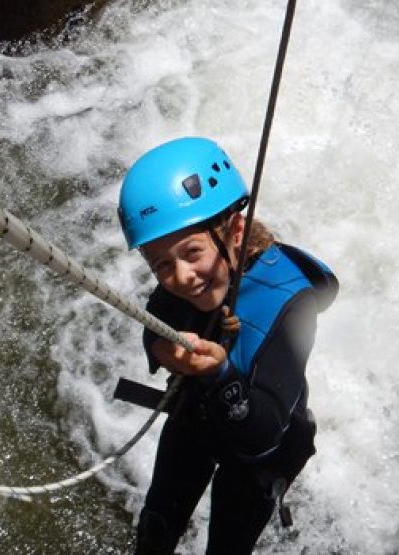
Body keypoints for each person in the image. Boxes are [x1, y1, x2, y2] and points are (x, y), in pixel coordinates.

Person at [116, 137, 338, 554]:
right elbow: (157, 318)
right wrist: (159, 349)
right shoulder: (188, 276)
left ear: (235, 231)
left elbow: (263, 436)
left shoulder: (288, 302)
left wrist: (218, 374)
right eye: (161, 264)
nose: (181, 277)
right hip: (198, 413)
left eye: (192, 253)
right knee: (156, 528)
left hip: (264, 443)